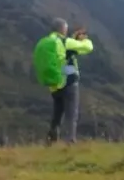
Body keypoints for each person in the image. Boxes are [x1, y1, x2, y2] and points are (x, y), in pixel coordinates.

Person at [33, 17, 94, 145]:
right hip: (68, 81)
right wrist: (84, 39)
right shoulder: (65, 41)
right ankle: (70, 140)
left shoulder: (47, 42)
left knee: (57, 114)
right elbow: (88, 48)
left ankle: (51, 140)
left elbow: (63, 56)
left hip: (55, 83)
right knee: (71, 114)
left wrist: (73, 39)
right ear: (63, 29)